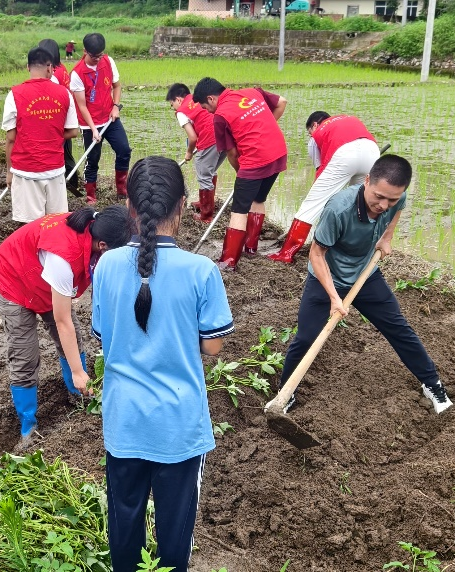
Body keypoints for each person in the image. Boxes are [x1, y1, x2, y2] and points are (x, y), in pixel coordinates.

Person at [91, 156, 233, 572]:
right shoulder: (201, 271)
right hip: (178, 426)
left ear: (131, 209)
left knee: (124, 523)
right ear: (184, 205)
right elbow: (213, 348)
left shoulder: (106, 267)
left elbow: (103, 337)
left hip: (125, 422)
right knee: (175, 530)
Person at [277, 155, 453, 415]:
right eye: (379, 196)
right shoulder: (338, 209)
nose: (384, 205)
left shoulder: (395, 197)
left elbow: (398, 207)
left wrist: (387, 237)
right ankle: (284, 395)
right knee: (305, 338)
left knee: (399, 329)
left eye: (391, 199)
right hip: (326, 277)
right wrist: (334, 297)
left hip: (365, 274)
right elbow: (316, 254)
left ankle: (432, 384)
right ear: (367, 180)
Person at [0, 206, 131, 451]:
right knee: (25, 355)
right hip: (14, 278)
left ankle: (79, 398)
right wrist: (78, 371)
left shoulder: (96, 231)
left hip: (45, 279)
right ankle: (28, 427)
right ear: (104, 246)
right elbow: (62, 320)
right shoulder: (64, 257)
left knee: (74, 340)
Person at [192, 77, 288, 271]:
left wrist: (241, 174)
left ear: (211, 99)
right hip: (278, 153)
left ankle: (228, 261)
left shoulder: (220, 116)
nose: (208, 112)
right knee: (258, 199)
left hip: (255, 160)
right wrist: (263, 126)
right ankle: (251, 248)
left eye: (205, 107)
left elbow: (232, 153)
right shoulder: (253, 92)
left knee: (239, 210)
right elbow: (282, 102)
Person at [269, 112, 379, 264]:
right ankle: (354, 251)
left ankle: (286, 254)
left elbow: (320, 169)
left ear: (314, 125)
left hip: (345, 154)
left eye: (309, 133)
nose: (311, 136)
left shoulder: (316, 136)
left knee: (310, 206)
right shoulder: (347, 118)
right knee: (360, 205)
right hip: (372, 151)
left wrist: (317, 196)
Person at [2, 48, 79, 223]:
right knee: (56, 225)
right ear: (50, 67)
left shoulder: (14, 94)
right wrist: (52, 134)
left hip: (25, 171)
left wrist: (9, 172)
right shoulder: (64, 93)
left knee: (29, 227)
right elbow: (73, 131)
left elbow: (11, 138)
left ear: (28, 67)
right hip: (55, 170)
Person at [69, 32, 132, 205]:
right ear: (85, 51)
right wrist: (94, 129)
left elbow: (117, 86)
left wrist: (115, 106)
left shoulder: (109, 62)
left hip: (110, 118)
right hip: (90, 125)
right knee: (93, 158)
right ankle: (91, 195)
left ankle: (122, 189)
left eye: (100, 55)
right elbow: (82, 106)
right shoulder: (77, 74)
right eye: (94, 56)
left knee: (124, 149)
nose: (97, 59)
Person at [165, 82, 222, 223]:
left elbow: (192, 137)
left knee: (204, 175)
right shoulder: (196, 99)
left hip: (210, 139)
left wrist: (189, 152)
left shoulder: (181, 112)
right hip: (223, 134)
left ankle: (206, 216)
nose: (173, 108)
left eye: (172, 104)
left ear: (178, 99)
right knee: (210, 169)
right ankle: (205, 203)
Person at [39, 38, 80, 195]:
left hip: (58, 120)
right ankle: (71, 184)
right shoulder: (61, 68)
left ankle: (72, 186)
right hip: (64, 118)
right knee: (65, 153)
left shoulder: (54, 74)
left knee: (63, 154)